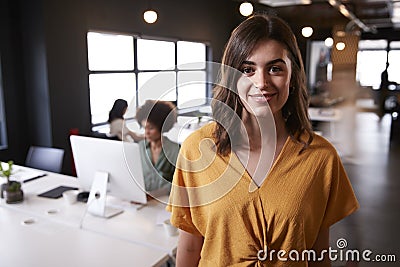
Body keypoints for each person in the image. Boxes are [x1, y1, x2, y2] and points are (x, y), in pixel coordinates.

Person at [167, 14, 359, 266]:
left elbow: (318, 252)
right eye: (247, 69)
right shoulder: (196, 149)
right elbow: (190, 247)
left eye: (275, 68)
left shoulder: (321, 157)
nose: (261, 82)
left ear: (292, 77)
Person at [135, 100, 180, 196]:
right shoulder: (140, 148)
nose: (146, 133)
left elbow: (182, 182)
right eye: (144, 128)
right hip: (144, 202)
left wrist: (154, 195)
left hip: (167, 201)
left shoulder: (175, 150)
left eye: (151, 128)